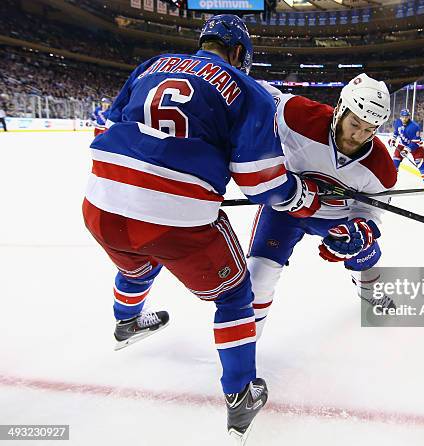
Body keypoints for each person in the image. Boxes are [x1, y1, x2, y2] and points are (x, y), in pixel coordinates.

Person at [81, 14, 321, 443]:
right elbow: (260, 181)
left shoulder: (151, 65)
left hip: (100, 200)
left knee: (137, 260)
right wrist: (298, 195)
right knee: (234, 296)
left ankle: (126, 322)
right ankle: (241, 392)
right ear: (238, 54)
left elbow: (107, 126)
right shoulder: (247, 89)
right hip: (174, 214)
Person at [249, 74, 398, 340]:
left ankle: (368, 291)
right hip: (285, 210)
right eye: (355, 123)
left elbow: (372, 210)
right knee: (257, 279)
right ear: (341, 108)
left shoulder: (382, 168)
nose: (358, 135)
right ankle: (245, 348)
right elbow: (257, 93)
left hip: (335, 219)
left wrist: (360, 229)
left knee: (365, 255)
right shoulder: (299, 116)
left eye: (369, 130)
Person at [389, 108, 424, 187]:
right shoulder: (397, 122)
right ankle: (391, 182)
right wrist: (393, 139)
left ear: (409, 117)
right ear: (400, 117)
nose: (404, 118)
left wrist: (406, 150)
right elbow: (396, 132)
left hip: (416, 146)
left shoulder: (414, 127)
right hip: (402, 144)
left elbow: (415, 142)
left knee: (421, 166)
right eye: (403, 117)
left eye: (406, 116)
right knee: (395, 162)